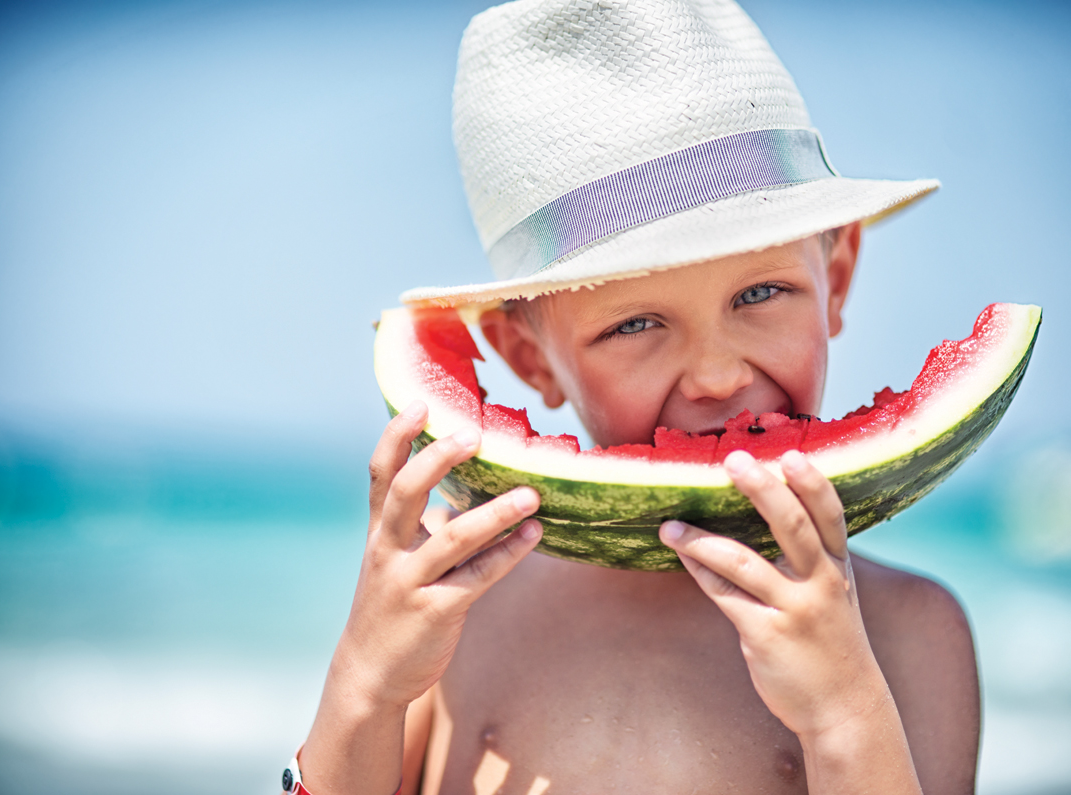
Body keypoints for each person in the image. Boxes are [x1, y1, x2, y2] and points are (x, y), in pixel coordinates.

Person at [289, 1, 980, 793]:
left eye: (760, 291)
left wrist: (845, 712)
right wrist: (367, 683)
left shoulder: (907, 632)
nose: (717, 374)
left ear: (839, 275)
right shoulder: (455, 603)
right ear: (529, 355)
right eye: (636, 323)